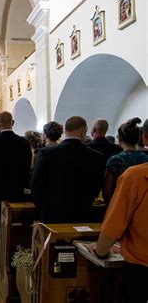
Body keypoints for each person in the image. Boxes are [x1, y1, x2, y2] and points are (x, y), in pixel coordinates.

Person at [86, 119, 148, 303]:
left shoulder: (135, 176)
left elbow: (115, 223)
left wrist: (101, 249)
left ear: (144, 138)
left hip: (141, 266)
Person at [0, 111, 32, 278]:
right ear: (13, 123)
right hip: (16, 193)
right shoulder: (24, 142)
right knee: (16, 228)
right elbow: (26, 169)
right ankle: (14, 266)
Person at [31, 116, 105, 224]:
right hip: (83, 213)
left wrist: (43, 207)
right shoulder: (96, 156)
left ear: (65, 131)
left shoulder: (47, 153)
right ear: (83, 131)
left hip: (52, 213)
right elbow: (96, 186)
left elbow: (36, 184)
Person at [103, 118, 148, 204]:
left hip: (119, 202)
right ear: (139, 138)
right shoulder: (146, 159)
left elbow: (107, 191)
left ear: (119, 138)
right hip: (142, 203)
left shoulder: (114, 160)